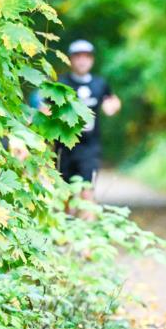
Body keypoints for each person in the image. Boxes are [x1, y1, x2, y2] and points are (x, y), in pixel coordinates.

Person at [51, 39, 121, 213]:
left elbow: (112, 99)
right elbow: (45, 108)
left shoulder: (99, 84)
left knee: (87, 192)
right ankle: (66, 236)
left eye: (86, 56)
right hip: (63, 147)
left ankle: (88, 235)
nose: (82, 60)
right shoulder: (60, 84)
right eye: (77, 56)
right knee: (65, 195)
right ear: (70, 59)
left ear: (92, 60)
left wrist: (112, 106)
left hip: (90, 147)